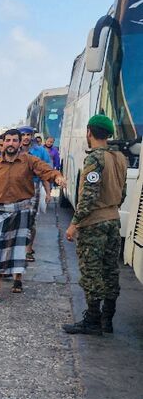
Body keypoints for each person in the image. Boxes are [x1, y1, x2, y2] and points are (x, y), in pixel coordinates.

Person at [0, 128, 65, 302]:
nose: (11, 143)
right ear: (3, 143)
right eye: (8, 140)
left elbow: (46, 170)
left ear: (20, 142)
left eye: (15, 140)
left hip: (21, 210)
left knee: (18, 249)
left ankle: (17, 279)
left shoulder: (29, 161)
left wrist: (57, 177)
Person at [63, 115, 128, 336]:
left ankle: (92, 320)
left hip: (94, 223)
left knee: (91, 272)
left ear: (89, 132)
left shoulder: (95, 159)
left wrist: (74, 224)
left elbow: (88, 197)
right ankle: (106, 320)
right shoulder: (119, 157)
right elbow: (123, 193)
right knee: (110, 270)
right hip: (113, 220)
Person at [18, 125, 53, 262]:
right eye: (24, 135)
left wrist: (48, 192)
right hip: (16, 187)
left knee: (31, 220)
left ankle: (28, 250)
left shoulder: (40, 151)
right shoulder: (14, 150)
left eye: (29, 135)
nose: (26, 137)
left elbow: (46, 173)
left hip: (34, 187)